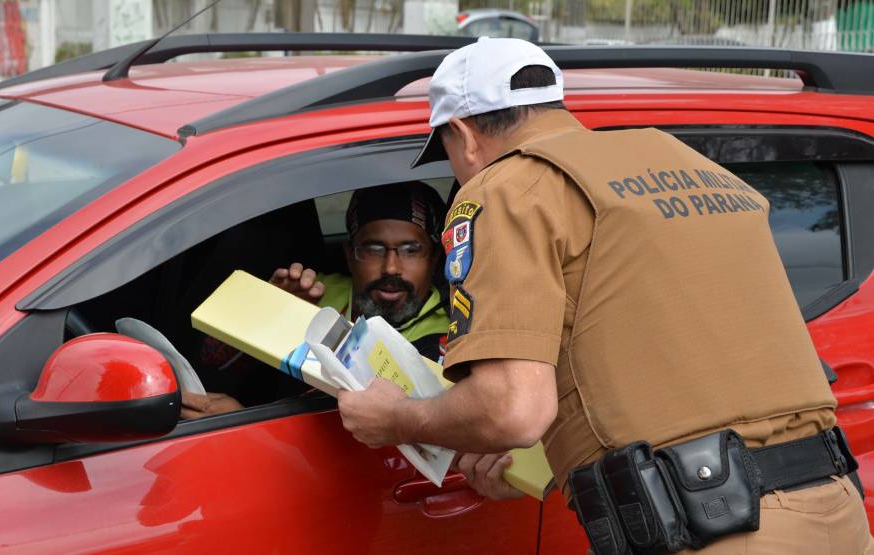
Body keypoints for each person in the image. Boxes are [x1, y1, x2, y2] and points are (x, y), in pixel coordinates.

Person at [335, 37, 872, 554]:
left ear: (463, 133)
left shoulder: (507, 189)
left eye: (447, 149)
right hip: (836, 509)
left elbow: (514, 410)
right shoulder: (687, 163)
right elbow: (657, 347)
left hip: (715, 529)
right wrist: (545, 463)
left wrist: (399, 418)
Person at [182, 181, 450, 419]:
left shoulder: (450, 335)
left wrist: (241, 422)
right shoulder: (312, 295)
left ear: (435, 257)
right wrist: (264, 311)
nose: (391, 267)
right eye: (373, 249)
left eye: (411, 250)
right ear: (349, 254)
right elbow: (209, 367)